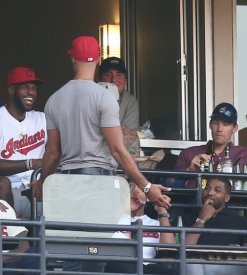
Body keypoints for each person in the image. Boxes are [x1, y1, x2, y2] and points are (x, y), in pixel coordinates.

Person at [34, 35, 170, 273]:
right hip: (98, 182)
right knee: (95, 253)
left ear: (72, 59)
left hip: (66, 181)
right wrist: (146, 187)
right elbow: (118, 150)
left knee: (76, 252)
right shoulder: (104, 97)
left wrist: (42, 182)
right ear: (97, 59)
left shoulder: (54, 99)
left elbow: (53, 152)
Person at [0, 66, 46, 219]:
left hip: (35, 189)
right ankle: (13, 237)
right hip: (1, 193)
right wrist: (32, 163)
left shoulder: (42, 119)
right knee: (1, 183)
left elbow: (60, 151)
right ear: (12, 90)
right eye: (25, 87)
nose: (31, 92)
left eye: (33, 88)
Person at [183, 177, 247, 275]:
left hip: (232, 265)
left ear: (226, 198)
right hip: (201, 264)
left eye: (217, 190)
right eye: (207, 188)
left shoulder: (241, 221)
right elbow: (185, 249)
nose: (210, 193)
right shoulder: (189, 218)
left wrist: (237, 250)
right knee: (190, 261)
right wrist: (201, 219)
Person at [174, 102, 247, 187]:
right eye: (215, 123)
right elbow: (171, 187)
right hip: (196, 202)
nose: (219, 129)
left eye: (226, 124)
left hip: (235, 203)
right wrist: (189, 170)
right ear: (210, 125)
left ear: (235, 128)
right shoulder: (188, 153)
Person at [106, 183, 175, 274]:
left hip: (147, 269)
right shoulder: (112, 219)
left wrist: (162, 210)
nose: (135, 192)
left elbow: (170, 249)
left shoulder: (156, 224)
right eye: (130, 189)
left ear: (148, 198)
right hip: (117, 266)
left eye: (141, 190)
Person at [99, 57, 139, 129]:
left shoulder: (130, 102)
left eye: (119, 75)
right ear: (100, 79)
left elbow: (128, 135)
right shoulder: (91, 97)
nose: (114, 79)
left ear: (125, 80)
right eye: (108, 74)